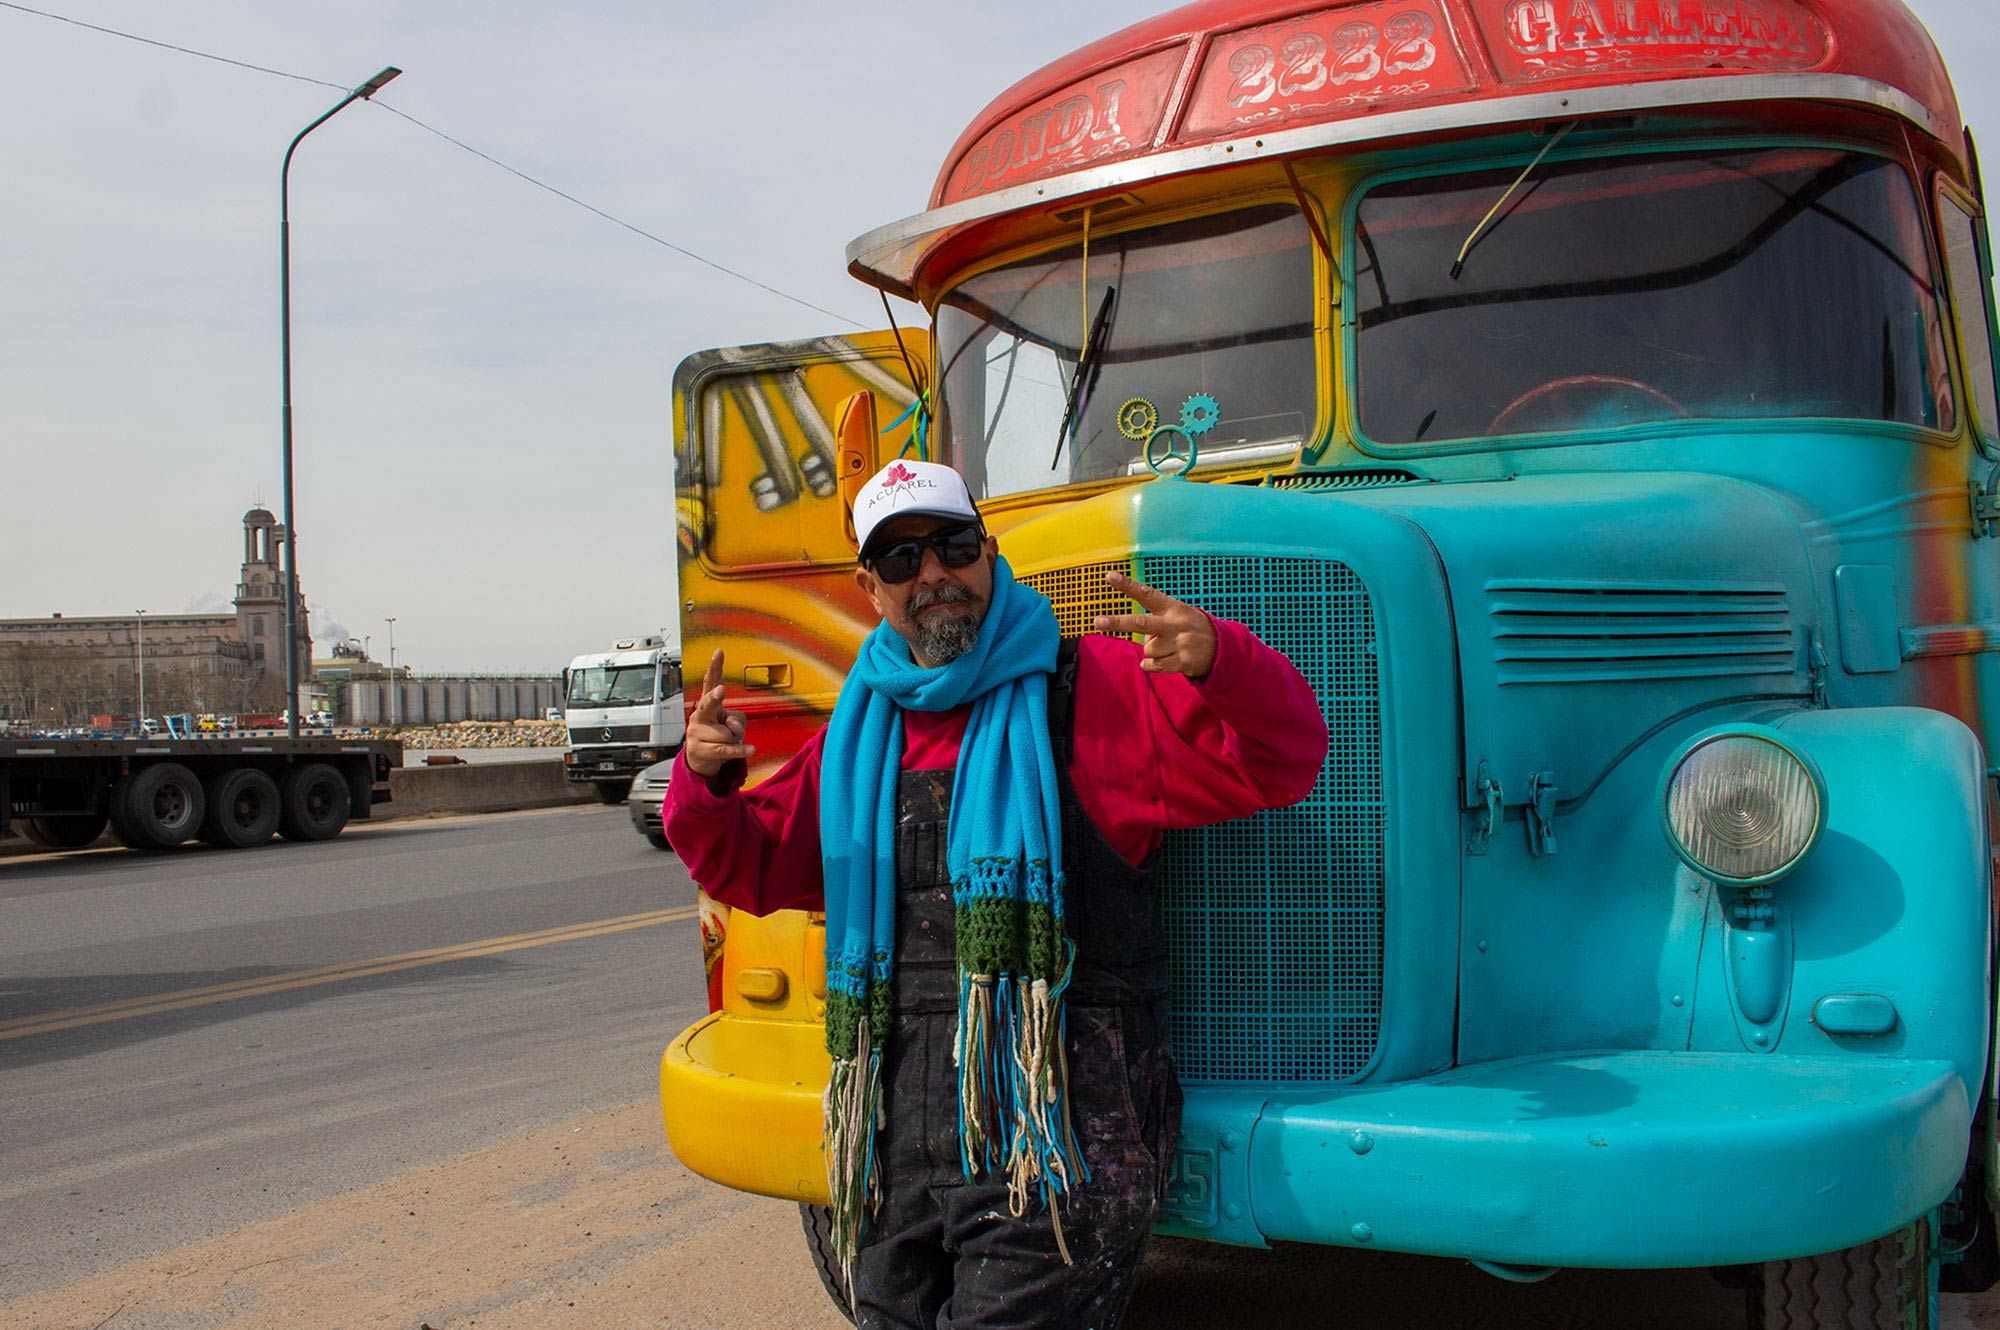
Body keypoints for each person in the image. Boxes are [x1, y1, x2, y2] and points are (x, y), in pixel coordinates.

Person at [665, 458, 1327, 1330]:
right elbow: (754, 863)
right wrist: (703, 780)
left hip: (1053, 1149)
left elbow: (1284, 758)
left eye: (953, 545)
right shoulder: (859, 735)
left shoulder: (1100, 693)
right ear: (871, 588)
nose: (933, 574)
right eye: (901, 561)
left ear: (988, 552)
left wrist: (1222, 664)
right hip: (894, 1147)